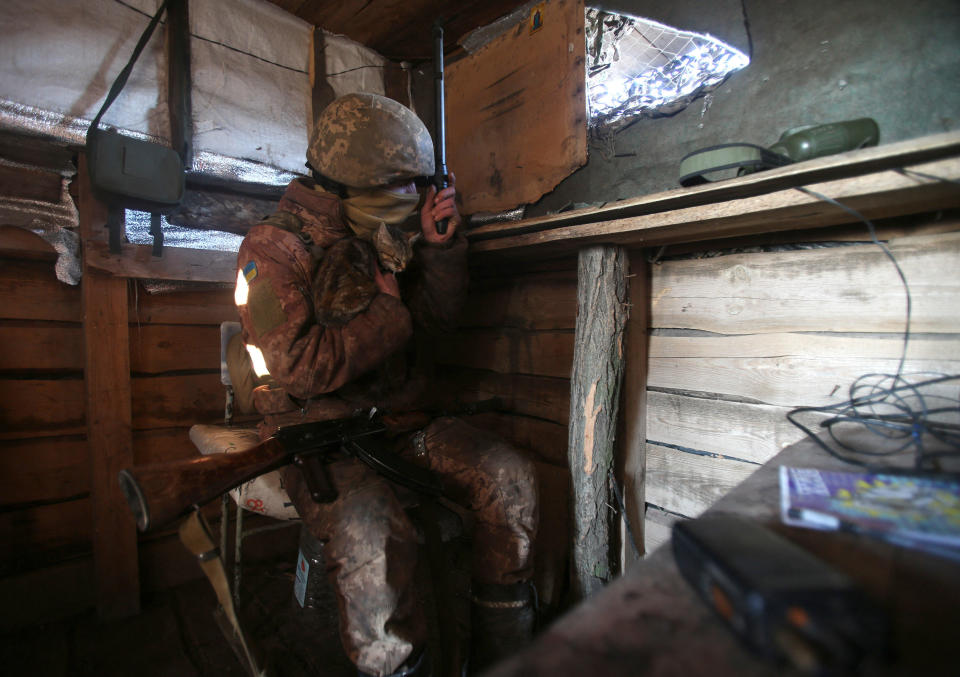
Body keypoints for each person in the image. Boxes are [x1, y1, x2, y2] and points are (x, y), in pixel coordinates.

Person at [230, 92, 539, 677]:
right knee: (370, 531)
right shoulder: (271, 249)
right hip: (319, 437)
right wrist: (386, 317)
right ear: (347, 185)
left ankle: (507, 658)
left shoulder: (382, 230)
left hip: (398, 423)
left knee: (511, 478)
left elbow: (436, 326)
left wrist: (442, 251)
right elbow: (300, 368)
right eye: (402, 187)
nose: (413, 199)